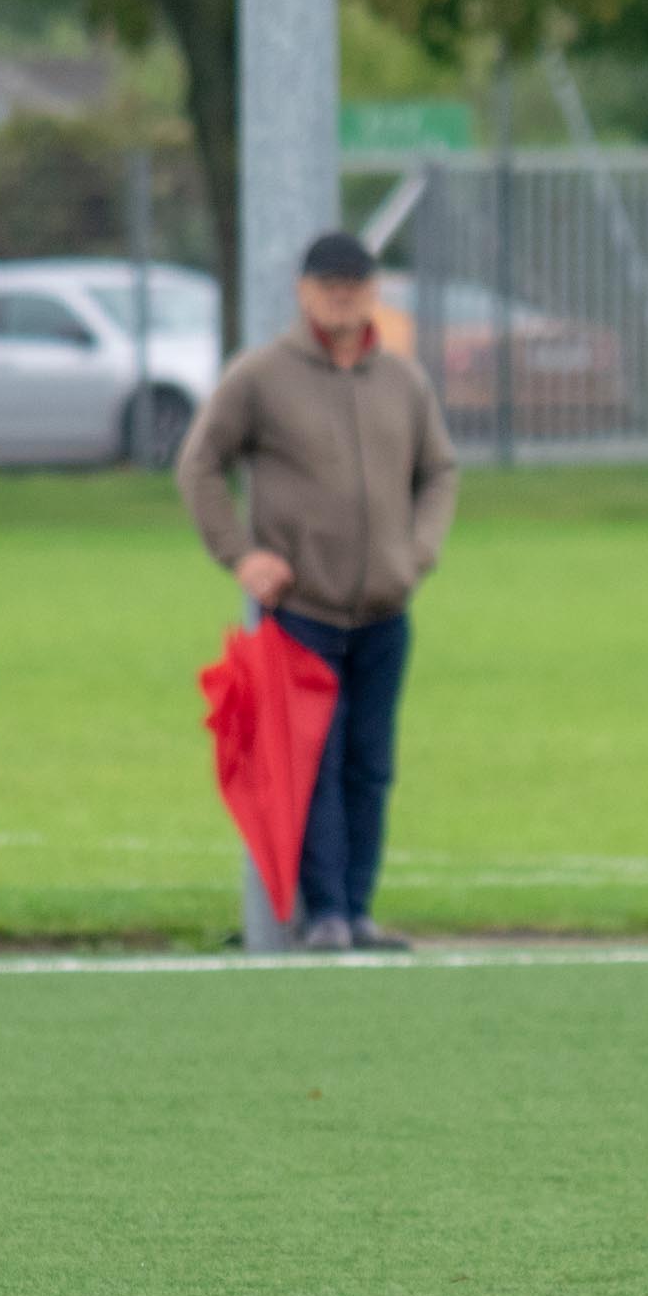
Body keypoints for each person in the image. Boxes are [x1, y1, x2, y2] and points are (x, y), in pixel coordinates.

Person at [176, 230, 458, 951]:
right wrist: (241, 556)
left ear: (374, 293)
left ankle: (358, 909)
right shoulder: (262, 376)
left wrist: (417, 553)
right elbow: (200, 465)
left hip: (384, 610)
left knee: (370, 766)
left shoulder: (403, 381)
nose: (343, 299)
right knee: (312, 766)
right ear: (304, 293)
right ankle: (324, 912)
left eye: (355, 286)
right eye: (330, 286)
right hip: (302, 611)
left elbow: (439, 473)